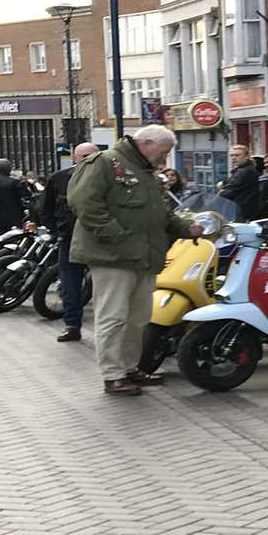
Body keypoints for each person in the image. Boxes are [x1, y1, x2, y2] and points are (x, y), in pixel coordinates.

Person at [68, 126, 203, 396]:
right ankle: (112, 375)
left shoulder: (147, 173)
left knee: (138, 318)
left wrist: (187, 228)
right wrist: (116, 235)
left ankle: (129, 369)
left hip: (144, 257)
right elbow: (84, 203)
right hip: (113, 256)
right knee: (113, 317)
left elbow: (162, 213)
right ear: (147, 143)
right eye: (163, 152)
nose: (164, 159)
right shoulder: (105, 162)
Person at [44, 143, 101, 342]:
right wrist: (57, 230)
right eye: (83, 156)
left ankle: (104, 330)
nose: (87, 159)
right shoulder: (59, 179)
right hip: (70, 240)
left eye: (92, 156)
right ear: (74, 158)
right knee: (70, 285)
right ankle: (72, 326)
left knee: (105, 285)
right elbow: (46, 208)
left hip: (101, 241)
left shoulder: (109, 179)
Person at [219, 144, 261, 220]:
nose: (233, 158)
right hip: (240, 209)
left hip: (242, 211)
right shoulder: (242, 170)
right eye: (231, 156)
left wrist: (222, 191)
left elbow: (229, 190)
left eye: (237, 155)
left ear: (246, 156)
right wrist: (224, 183)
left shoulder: (244, 171)